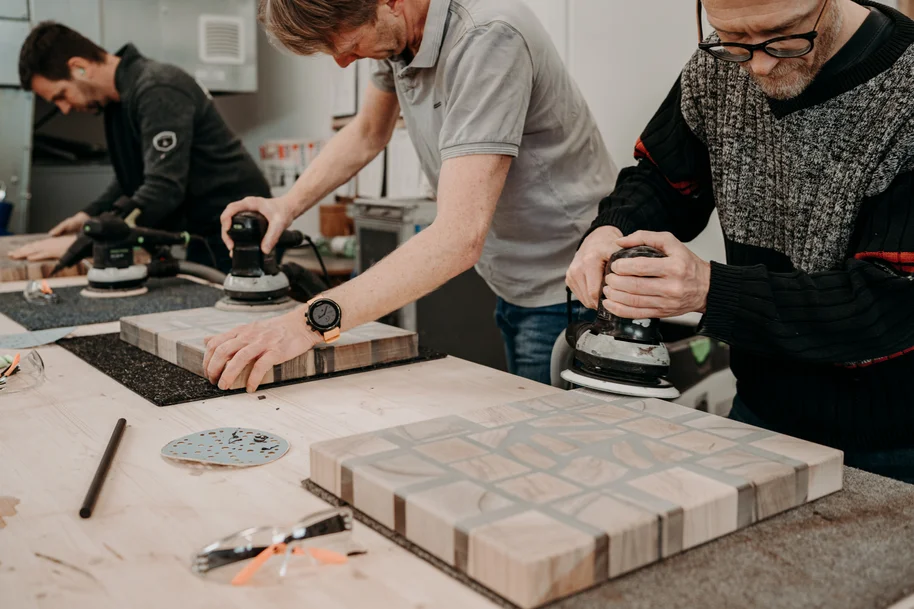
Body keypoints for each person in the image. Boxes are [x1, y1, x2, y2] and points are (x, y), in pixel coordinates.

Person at [566, 0, 914, 483]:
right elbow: (663, 181)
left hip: (892, 445)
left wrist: (710, 291)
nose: (758, 66)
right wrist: (612, 228)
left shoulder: (906, 95)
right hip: (760, 416)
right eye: (732, 41)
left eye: (784, 37)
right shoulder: (716, 70)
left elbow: (891, 304)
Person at [202, 0, 618, 389]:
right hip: (512, 276)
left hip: (568, 285)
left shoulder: (488, 36)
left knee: (553, 449)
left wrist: (308, 323)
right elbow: (368, 133)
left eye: (346, 45)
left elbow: (458, 238)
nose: (344, 61)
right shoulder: (399, 36)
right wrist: (285, 205)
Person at [10, 22, 271, 273]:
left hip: (239, 226)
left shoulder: (157, 88)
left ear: (79, 67)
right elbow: (131, 180)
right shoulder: (118, 102)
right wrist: (89, 217)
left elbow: (163, 188)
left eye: (61, 95)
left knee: (226, 311)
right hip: (206, 229)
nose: (65, 109)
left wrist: (85, 242)